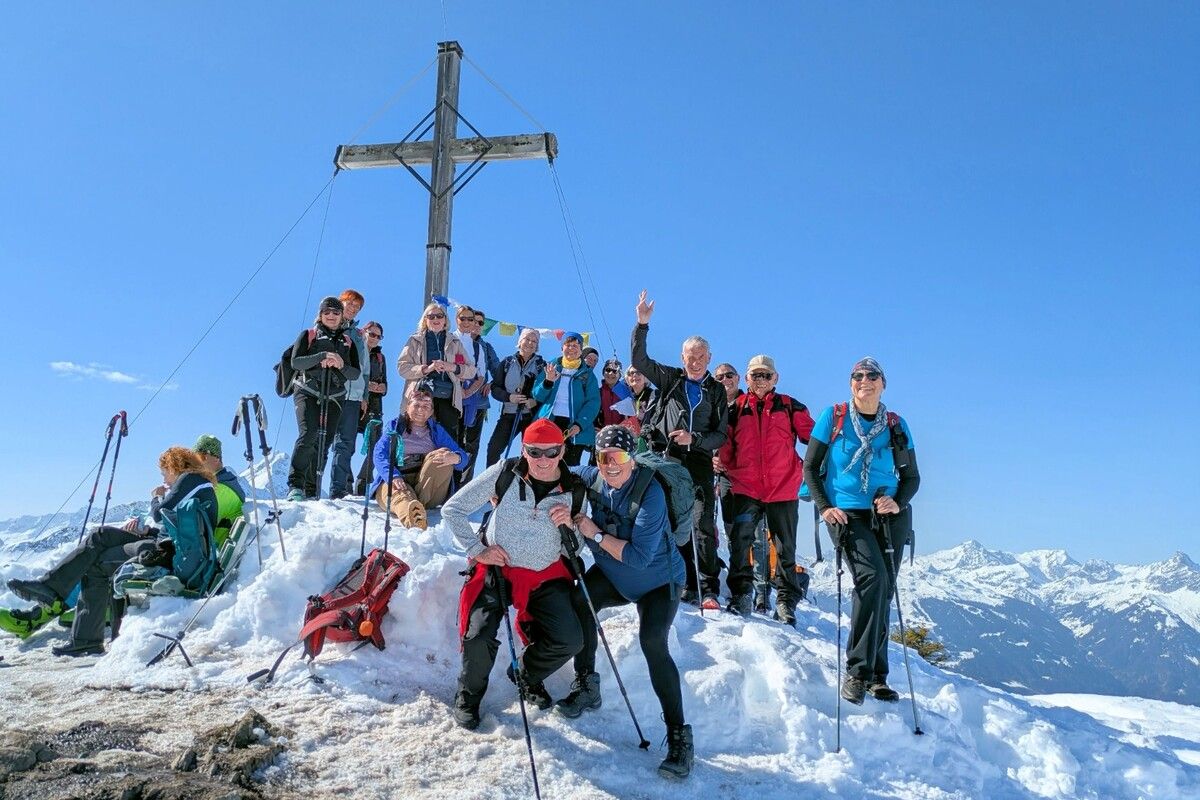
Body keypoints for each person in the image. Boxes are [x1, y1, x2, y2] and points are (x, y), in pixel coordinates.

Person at [1, 436, 243, 640]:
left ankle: (49, 610)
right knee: (100, 538)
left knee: (98, 557)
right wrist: (146, 531)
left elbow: (166, 517)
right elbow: (178, 527)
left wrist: (157, 499)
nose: (164, 480)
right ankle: (50, 597)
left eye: (164, 473)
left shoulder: (205, 485)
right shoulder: (203, 484)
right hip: (176, 547)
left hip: (181, 556)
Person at [559, 425, 693, 779]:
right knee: (580, 599)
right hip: (615, 576)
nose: (610, 465)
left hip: (659, 582)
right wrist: (511, 483)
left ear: (632, 458)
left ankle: (679, 737)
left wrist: (594, 532)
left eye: (618, 457)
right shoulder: (594, 476)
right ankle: (587, 684)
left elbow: (637, 557)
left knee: (652, 641)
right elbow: (555, 467)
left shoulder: (651, 495)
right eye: (604, 458)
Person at [443, 418, 589, 730]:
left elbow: (576, 544)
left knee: (570, 639)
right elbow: (452, 509)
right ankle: (468, 698)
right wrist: (478, 549)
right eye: (534, 452)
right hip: (497, 570)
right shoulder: (505, 473)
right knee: (480, 634)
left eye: (551, 452)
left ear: (562, 450)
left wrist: (572, 525)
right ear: (524, 450)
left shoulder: (574, 489)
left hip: (544, 575)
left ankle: (525, 674)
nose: (543, 460)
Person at [802, 357, 920, 705]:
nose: (863, 380)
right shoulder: (833, 417)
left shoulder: (896, 424)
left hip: (889, 516)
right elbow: (810, 466)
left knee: (883, 589)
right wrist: (825, 507)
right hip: (845, 514)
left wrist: (897, 501)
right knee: (873, 579)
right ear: (850, 382)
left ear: (883, 383)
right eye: (857, 376)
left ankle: (877, 676)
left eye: (871, 376)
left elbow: (912, 477)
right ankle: (858, 672)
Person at [630, 290, 728, 609]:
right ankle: (679, 578)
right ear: (682, 356)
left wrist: (695, 439)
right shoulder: (670, 378)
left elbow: (721, 435)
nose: (695, 361)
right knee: (671, 518)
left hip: (698, 461)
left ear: (709, 359)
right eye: (690, 355)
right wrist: (642, 324)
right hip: (667, 458)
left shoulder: (716, 391)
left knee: (701, 521)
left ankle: (707, 587)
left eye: (701, 356)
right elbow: (639, 361)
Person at [715, 355, 814, 624]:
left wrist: (815, 467)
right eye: (755, 375)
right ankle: (742, 594)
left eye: (766, 375)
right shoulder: (735, 408)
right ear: (747, 379)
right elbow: (725, 447)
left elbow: (813, 438)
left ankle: (785, 601)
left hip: (783, 488)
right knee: (740, 543)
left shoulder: (790, 406)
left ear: (775, 378)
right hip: (746, 487)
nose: (760, 380)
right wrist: (725, 465)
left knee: (785, 548)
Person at [286, 296, 362, 501]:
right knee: (308, 434)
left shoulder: (348, 341)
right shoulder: (308, 335)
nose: (331, 316)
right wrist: (321, 357)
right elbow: (296, 362)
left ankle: (311, 489)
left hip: (335, 396)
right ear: (320, 315)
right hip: (307, 390)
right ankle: (295, 485)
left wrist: (340, 364)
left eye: (336, 312)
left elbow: (355, 373)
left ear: (341, 317)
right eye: (326, 312)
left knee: (324, 442)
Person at [370, 388, 468, 530]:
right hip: (399, 481)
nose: (420, 410)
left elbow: (463, 458)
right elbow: (379, 454)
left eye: (426, 406)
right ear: (407, 406)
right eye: (416, 405)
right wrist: (393, 476)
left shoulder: (436, 431)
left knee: (444, 453)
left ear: (431, 411)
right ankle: (414, 516)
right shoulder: (395, 426)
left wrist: (456, 458)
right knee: (401, 495)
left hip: (427, 489)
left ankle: (416, 503)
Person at [396, 302, 475, 445]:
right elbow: (402, 368)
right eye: (431, 316)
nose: (435, 319)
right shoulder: (414, 340)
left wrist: (452, 367)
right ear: (425, 320)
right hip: (421, 396)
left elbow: (471, 370)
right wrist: (427, 368)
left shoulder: (455, 342)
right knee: (416, 439)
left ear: (445, 320)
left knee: (448, 440)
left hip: (449, 398)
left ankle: (445, 467)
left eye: (439, 315)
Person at [532, 332, 600, 467]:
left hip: (574, 426)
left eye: (576, 345)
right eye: (568, 345)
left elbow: (593, 402)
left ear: (581, 350)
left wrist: (580, 424)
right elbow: (537, 395)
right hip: (549, 421)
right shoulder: (551, 366)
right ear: (562, 348)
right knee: (543, 463)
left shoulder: (587, 374)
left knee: (569, 467)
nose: (572, 348)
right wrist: (548, 382)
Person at [486, 327, 545, 466]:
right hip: (509, 414)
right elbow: (495, 388)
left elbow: (548, 391)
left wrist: (535, 401)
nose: (530, 343)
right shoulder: (507, 363)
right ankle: (491, 483)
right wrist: (509, 397)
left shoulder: (541, 366)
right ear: (520, 341)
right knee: (493, 449)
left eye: (534, 341)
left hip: (531, 417)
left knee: (530, 454)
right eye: (527, 339)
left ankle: (525, 484)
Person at [329, 289, 368, 499]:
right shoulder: (330, 325)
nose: (352, 308)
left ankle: (338, 489)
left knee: (346, 443)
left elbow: (365, 367)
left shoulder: (359, 335)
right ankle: (311, 486)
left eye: (357, 306)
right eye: (349, 303)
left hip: (354, 395)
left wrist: (364, 396)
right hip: (332, 391)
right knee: (324, 440)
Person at [455, 305, 500, 484]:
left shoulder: (485, 347)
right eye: (472, 320)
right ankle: (449, 483)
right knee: (453, 439)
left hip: (478, 402)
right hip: (454, 399)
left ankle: (465, 485)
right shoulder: (454, 340)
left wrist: (491, 383)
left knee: (471, 444)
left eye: (480, 323)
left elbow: (498, 371)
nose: (476, 325)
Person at [191, 435, 246, 547]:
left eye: (202, 457)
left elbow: (194, 524)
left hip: (213, 556)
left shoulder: (221, 489)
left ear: (216, 458)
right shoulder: (222, 484)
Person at [354, 321, 389, 496]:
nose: (374, 338)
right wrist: (368, 385)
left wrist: (378, 387)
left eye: (378, 336)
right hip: (353, 402)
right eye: (372, 334)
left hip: (375, 406)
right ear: (364, 332)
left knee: (376, 445)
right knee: (346, 443)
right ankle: (344, 482)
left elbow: (385, 386)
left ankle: (363, 480)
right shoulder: (354, 348)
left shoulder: (380, 358)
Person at [595, 357, 633, 432]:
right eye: (608, 370)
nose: (610, 373)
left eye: (615, 371)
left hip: (622, 434)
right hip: (601, 434)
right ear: (603, 373)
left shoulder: (627, 392)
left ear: (619, 375)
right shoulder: (597, 392)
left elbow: (633, 414)